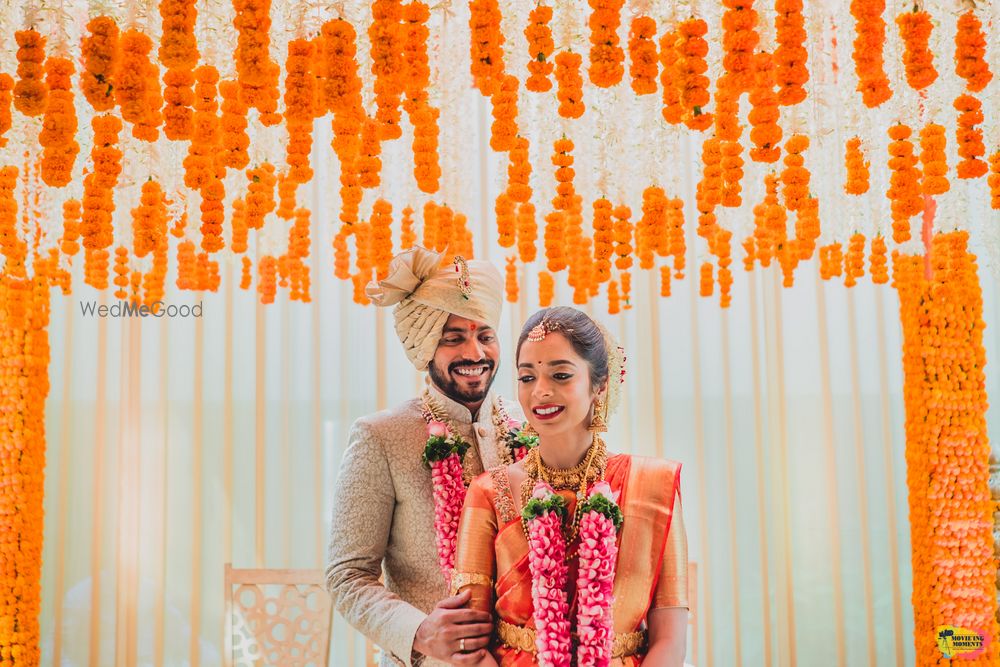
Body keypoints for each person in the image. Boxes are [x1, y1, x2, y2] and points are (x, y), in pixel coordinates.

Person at [326, 246, 530, 667]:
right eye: (453, 338)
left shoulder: (528, 425)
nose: (475, 353)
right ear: (425, 348)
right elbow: (347, 576)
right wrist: (420, 632)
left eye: (485, 335)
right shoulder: (381, 436)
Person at [451, 306, 688, 666]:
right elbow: (468, 642)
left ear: (600, 384)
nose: (540, 392)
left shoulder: (654, 485)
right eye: (527, 378)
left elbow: (670, 639)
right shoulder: (489, 492)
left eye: (560, 375)